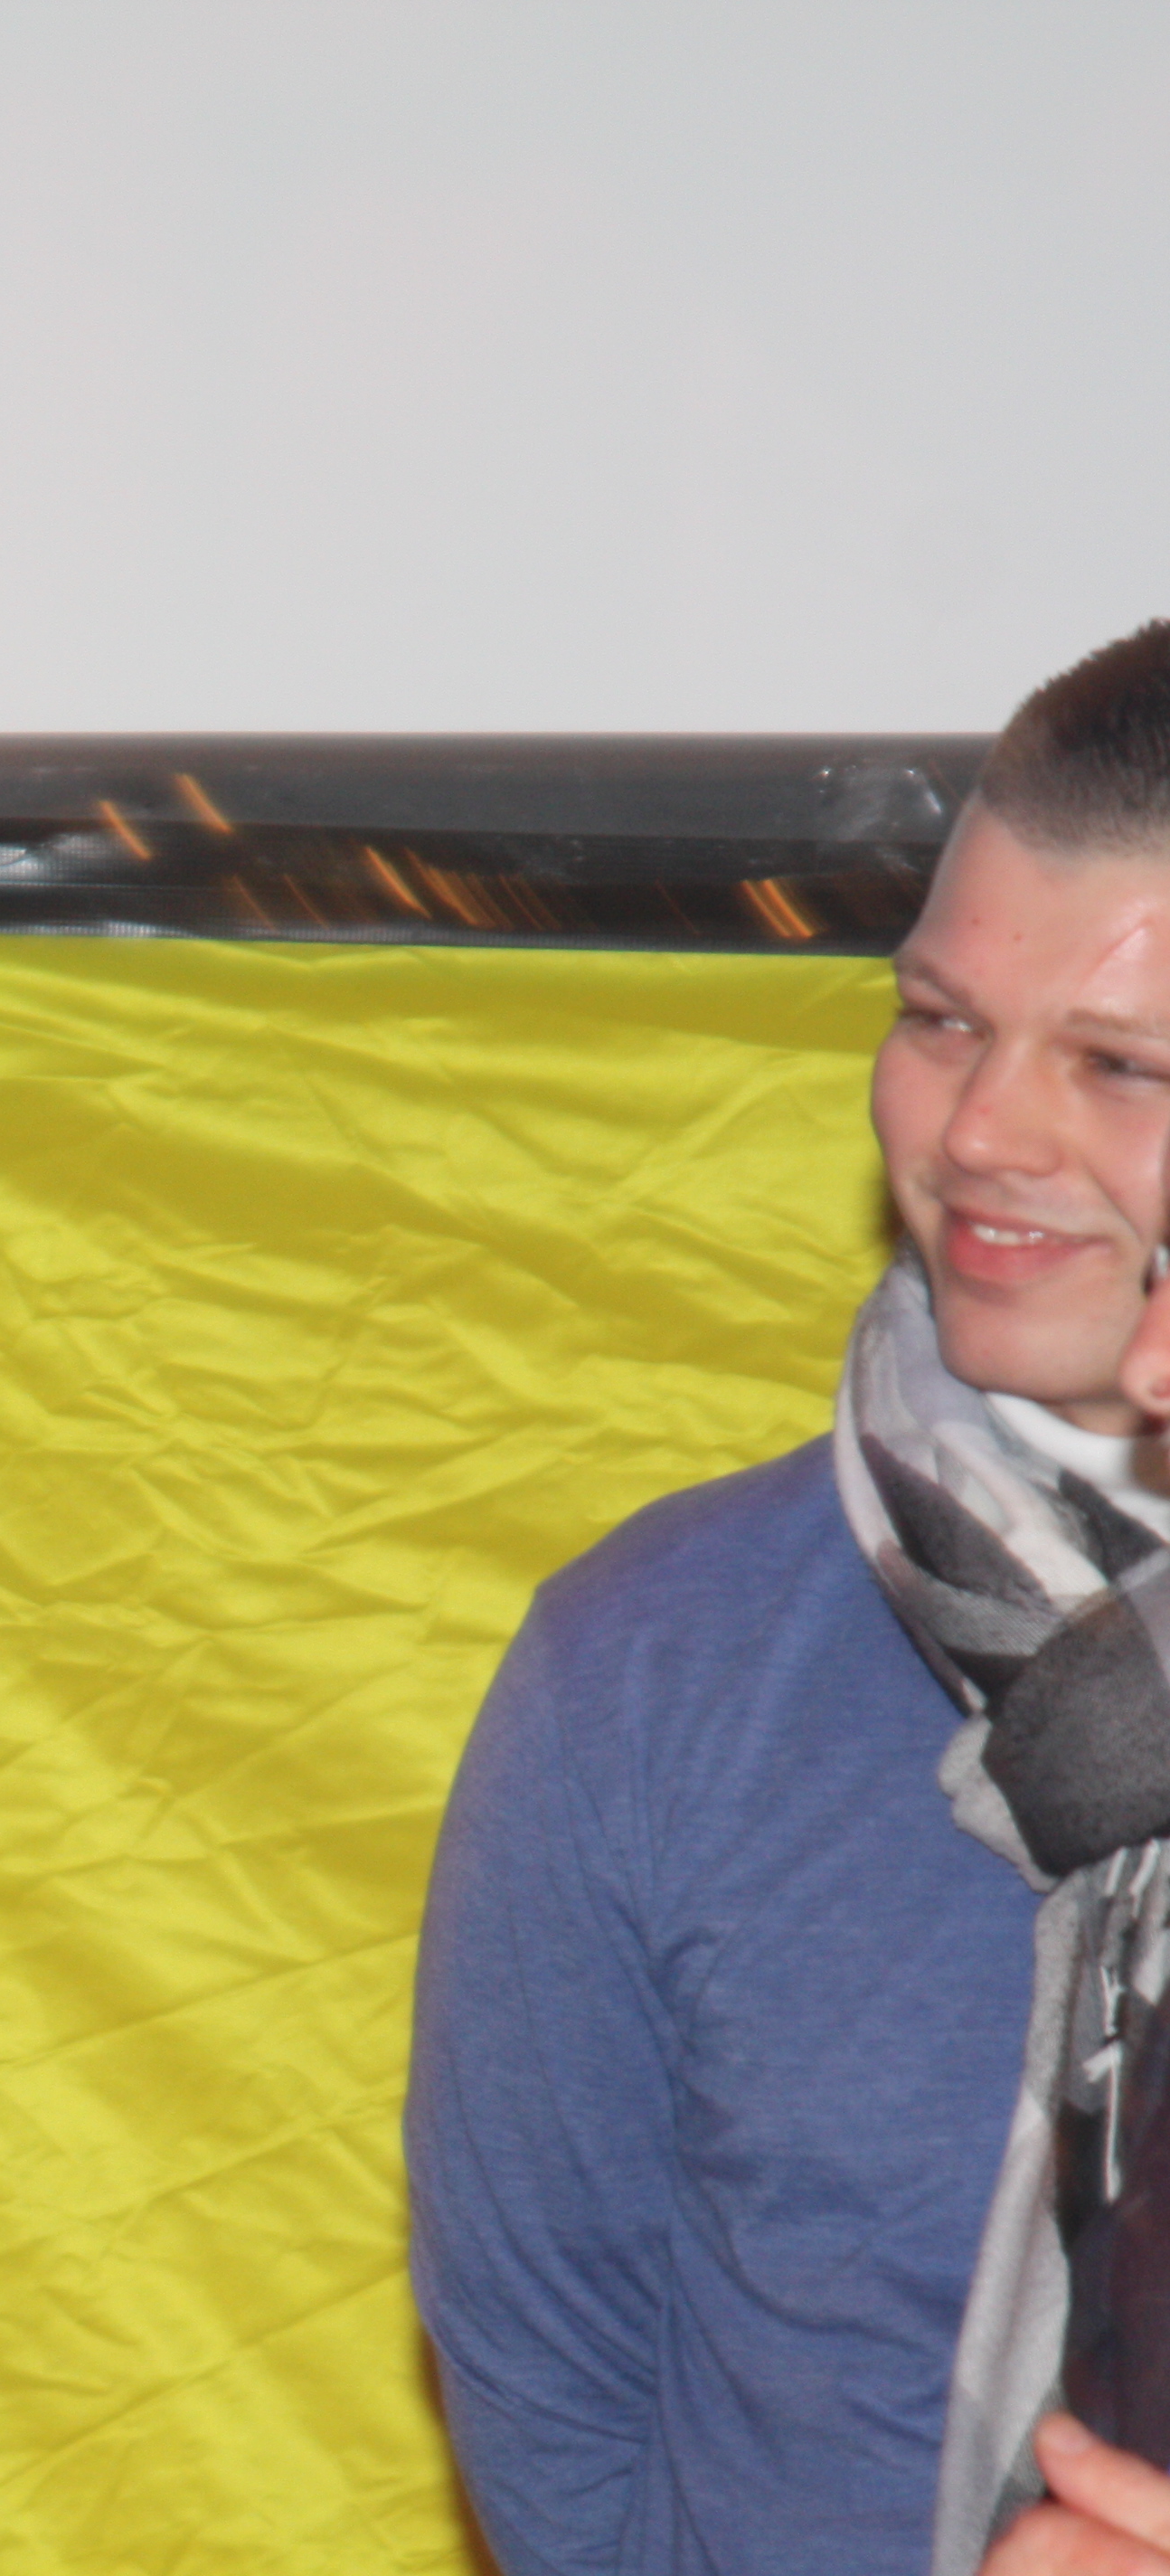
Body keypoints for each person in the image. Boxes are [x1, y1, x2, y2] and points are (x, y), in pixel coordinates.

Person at [407, 616, 1170, 2576]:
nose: (981, 1131)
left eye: (1117, 1064)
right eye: (941, 1019)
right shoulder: (659, 1666)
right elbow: (552, 2394)